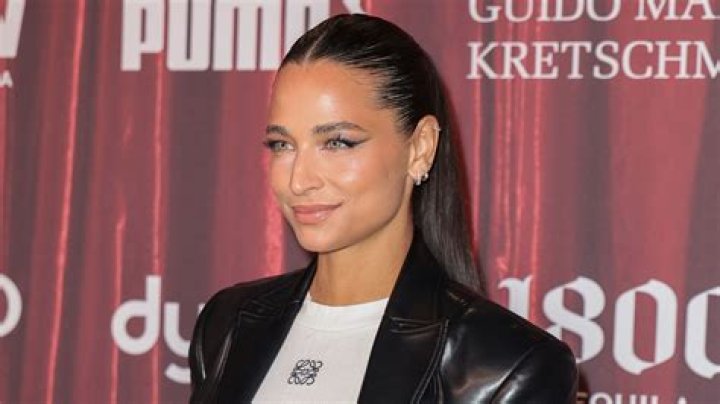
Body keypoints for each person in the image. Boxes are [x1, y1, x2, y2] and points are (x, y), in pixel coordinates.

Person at [188, 13, 578, 403]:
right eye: (282, 144)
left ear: (421, 147)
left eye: (337, 142)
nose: (298, 180)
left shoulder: (506, 365)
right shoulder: (227, 325)